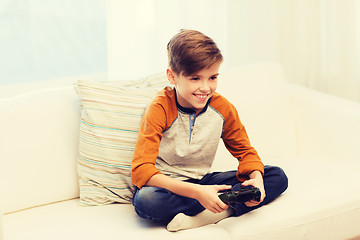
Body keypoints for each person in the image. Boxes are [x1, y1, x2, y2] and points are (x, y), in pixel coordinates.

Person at [131, 29, 288, 232]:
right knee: (147, 200)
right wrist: (198, 193)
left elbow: (246, 153)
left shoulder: (222, 108)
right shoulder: (160, 107)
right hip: (168, 186)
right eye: (195, 78)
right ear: (172, 76)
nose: (205, 88)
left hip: (204, 181)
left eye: (212, 77)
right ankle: (220, 203)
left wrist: (256, 179)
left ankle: (214, 212)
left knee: (276, 176)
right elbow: (141, 170)